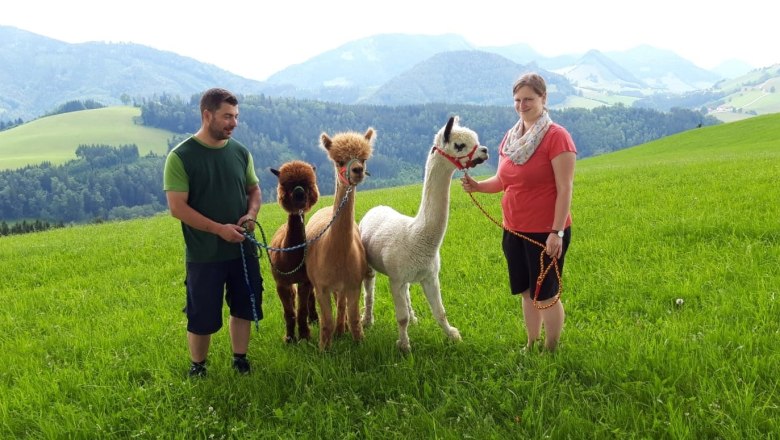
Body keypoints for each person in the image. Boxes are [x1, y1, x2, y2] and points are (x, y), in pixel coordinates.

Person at [461, 72, 576, 352]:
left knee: (545, 294)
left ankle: (551, 349)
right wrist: (478, 186)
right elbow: (503, 181)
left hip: (545, 232)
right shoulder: (511, 138)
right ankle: (531, 342)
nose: (522, 105)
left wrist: (557, 232)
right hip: (513, 229)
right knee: (526, 291)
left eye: (528, 99)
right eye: (517, 100)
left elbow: (565, 188)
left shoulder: (557, 137)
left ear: (543, 98)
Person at [163, 88, 263, 377]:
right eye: (227, 116)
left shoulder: (240, 153)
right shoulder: (181, 157)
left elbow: (254, 190)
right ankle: (198, 367)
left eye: (236, 116)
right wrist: (219, 230)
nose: (234, 123)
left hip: (242, 250)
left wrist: (251, 214)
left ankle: (240, 359)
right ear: (207, 115)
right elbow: (177, 208)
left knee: (244, 306)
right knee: (202, 314)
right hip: (204, 254)